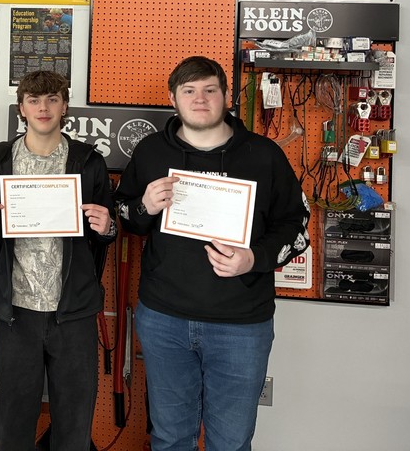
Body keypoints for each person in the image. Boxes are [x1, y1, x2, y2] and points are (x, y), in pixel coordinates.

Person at [115, 56, 310, 451]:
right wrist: (144, 207)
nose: (199, 99)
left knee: (232, 442)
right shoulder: (152, 151)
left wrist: (253, 258)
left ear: (226, 97)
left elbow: (298, 227)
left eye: (209, 90)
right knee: (169, 438)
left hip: (241, 326)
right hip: (164, 320)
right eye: (189, 91)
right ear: (173, 99)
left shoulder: (263, 155)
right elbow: (126, 216)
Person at [0, 70, 115, 451]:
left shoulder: (88, 161)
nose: (43, 108)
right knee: (15, 421)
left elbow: (108, 229)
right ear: (21, 108)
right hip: (17, 311)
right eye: (34, 100)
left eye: (51, 99)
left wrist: (107, 225)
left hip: (73, 312)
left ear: (64, 105)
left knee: (73, 420)